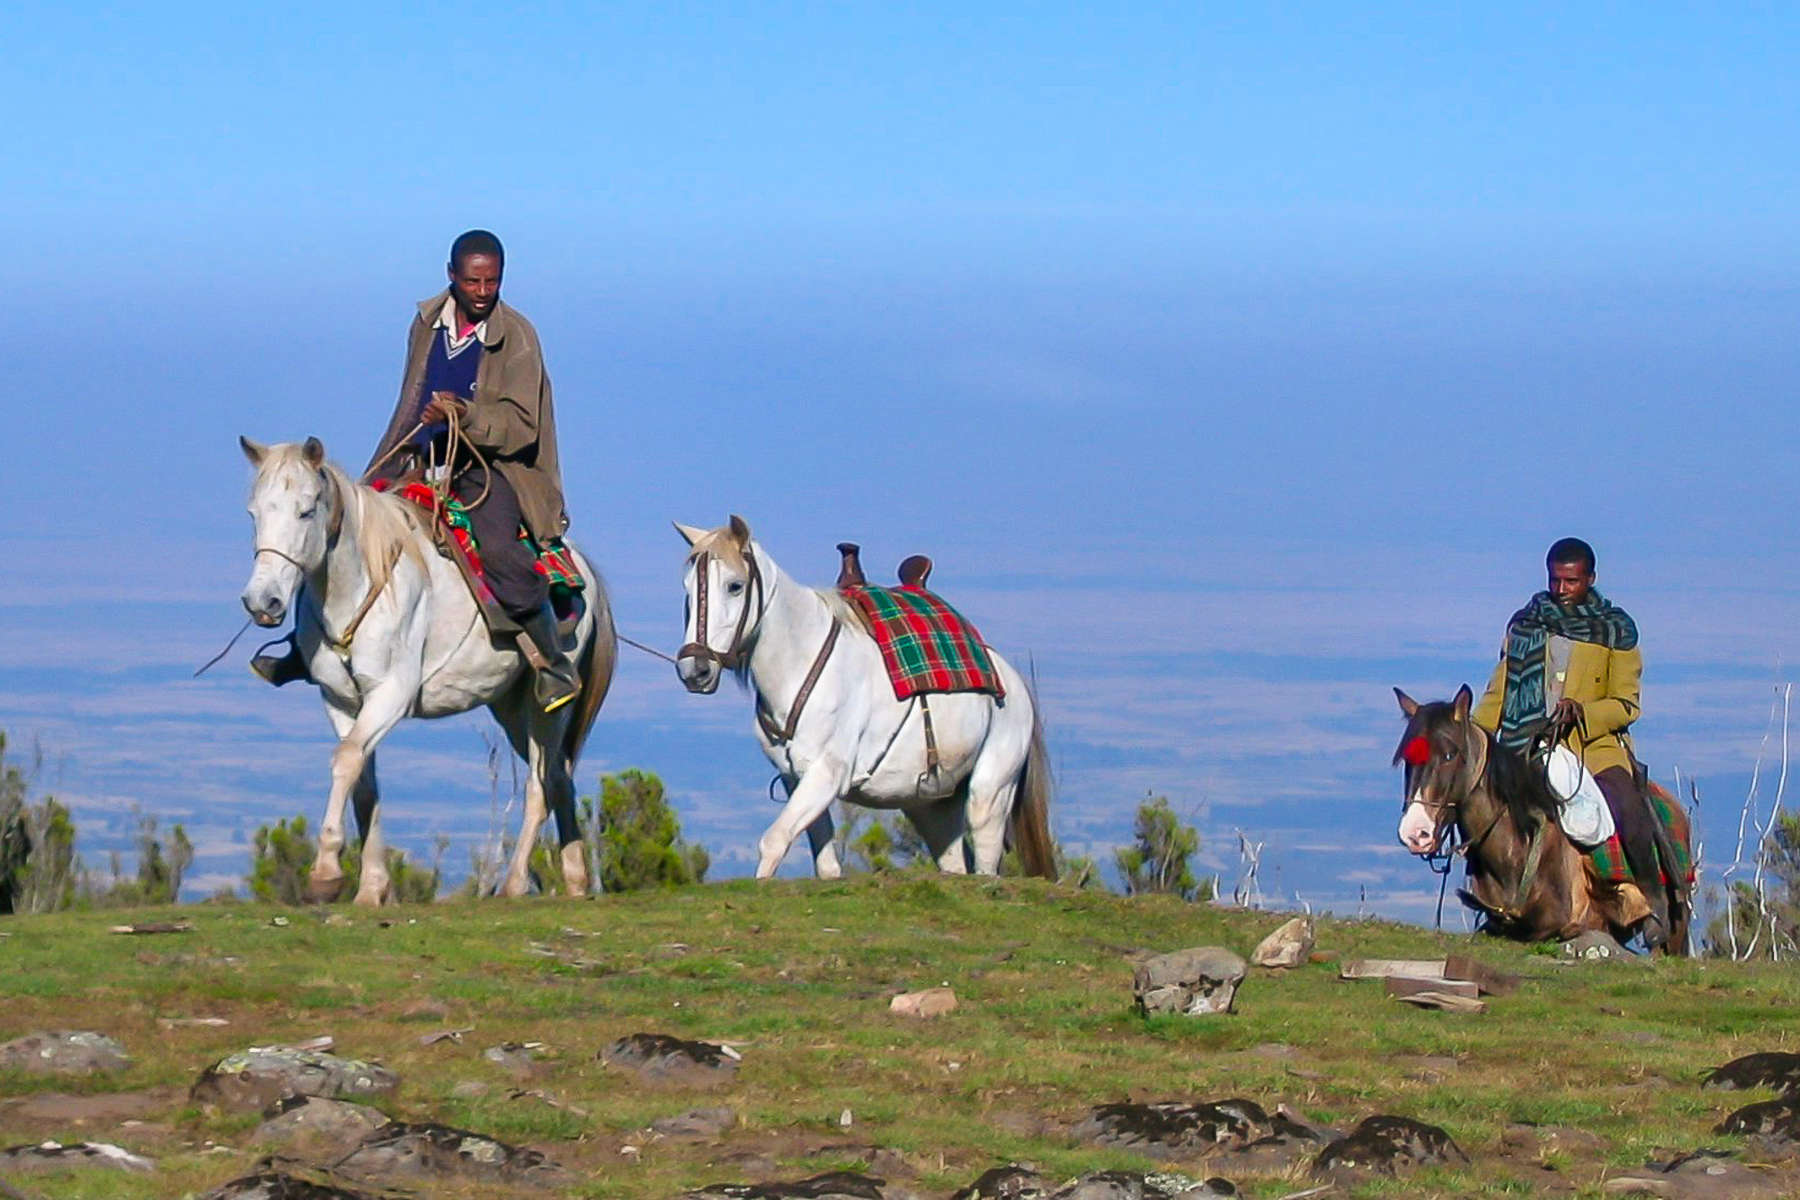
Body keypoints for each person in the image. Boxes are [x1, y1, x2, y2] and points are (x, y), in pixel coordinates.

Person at [253, 229, 579, 713]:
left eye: (493, 281)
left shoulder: (519, 337)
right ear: (452, 277)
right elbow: (411, 396)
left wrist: (464, 414)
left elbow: (522, 426)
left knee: (500, 549)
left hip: (491, 469)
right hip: (420, 456)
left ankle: (553, 663)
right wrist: (382, 466)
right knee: (336, 526)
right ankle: (304, 649)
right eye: (474, 281)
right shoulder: (425, 324)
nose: (484, 292)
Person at [1470, 537, 1666, 946]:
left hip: (1592, 747)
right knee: (1485, 810)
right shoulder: (1525, 625)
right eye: (1556, 580)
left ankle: (1650, 902)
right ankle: (1497, 904)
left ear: (1590, 579)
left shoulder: (1617, 630)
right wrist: (1479, 737)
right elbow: (1500, 690)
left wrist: (1584, 712)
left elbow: (1627, 704)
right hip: (1527, 745)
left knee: (1627, 808)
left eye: (1571, 581)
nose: (1562, 589)